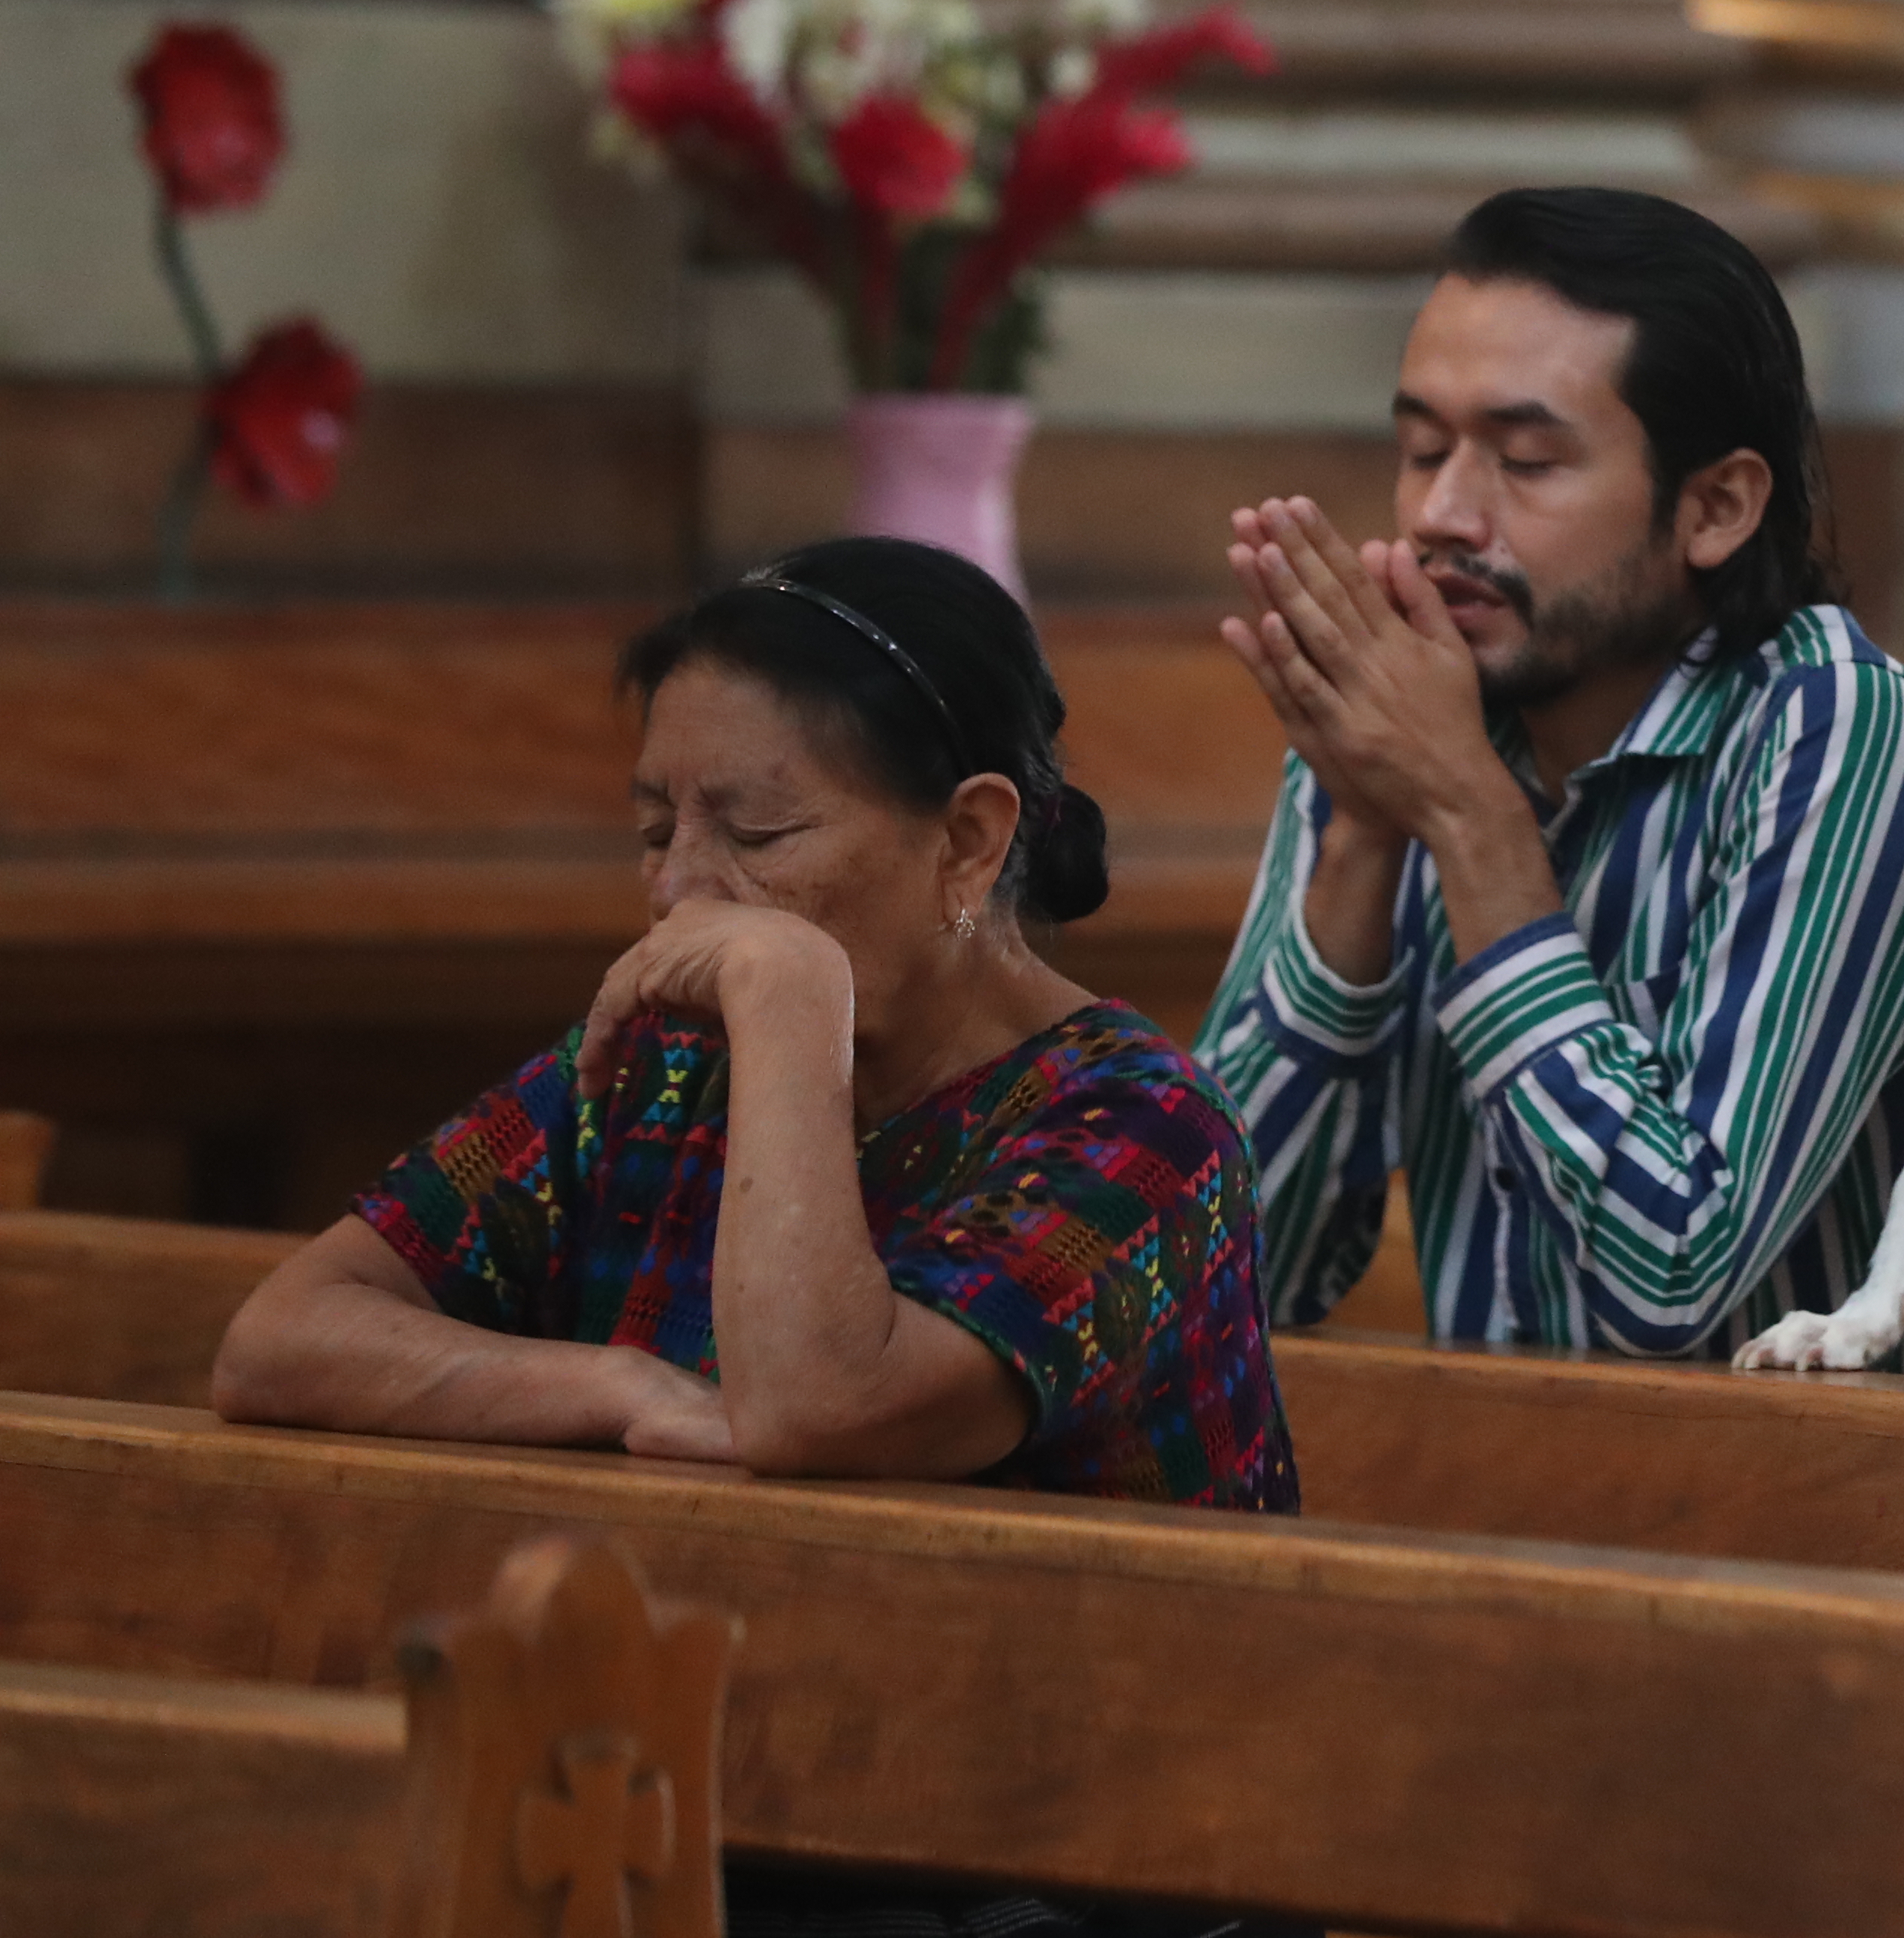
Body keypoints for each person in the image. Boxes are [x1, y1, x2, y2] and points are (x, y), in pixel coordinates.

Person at [215, 536, 1300, 1935]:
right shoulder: (657, 1065)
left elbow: (815, 1402)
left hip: (1084, 1863)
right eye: (659, 827)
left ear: (969, 836)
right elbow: (282, 1336)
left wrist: (793, 997)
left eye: (760, 835)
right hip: (752, 1812)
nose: (682, 893)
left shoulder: (1142, 1130)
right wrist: (612, 1388)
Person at [1191, 186, 1904, 1372]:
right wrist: (1366, 831)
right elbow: (1228, 1277)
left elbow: (1671, 1277)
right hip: (1492, 1516)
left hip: (1818, 1533)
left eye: (1525, 460)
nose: (1444, 515)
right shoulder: (1400, 717)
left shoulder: (1834, 730)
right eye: (1422, 449)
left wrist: (1468, 817)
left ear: (1715, 507)